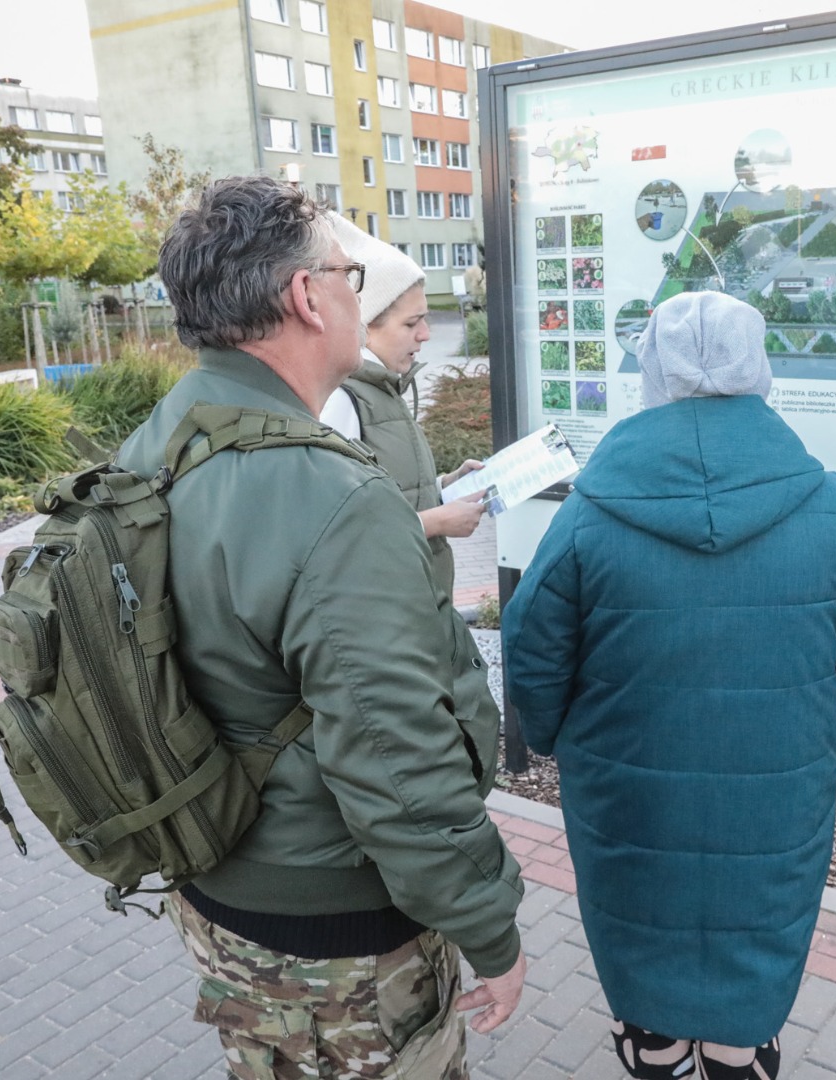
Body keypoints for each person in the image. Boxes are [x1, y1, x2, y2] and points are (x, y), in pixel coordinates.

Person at [115, 177, 525, 1080]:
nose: (353, 290)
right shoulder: (334, 499)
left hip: (216, 884)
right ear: (307, 296)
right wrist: (490, 932)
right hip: (335, 929)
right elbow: (396, 759)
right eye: (344, 272)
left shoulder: (162, 436)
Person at [502, 292, 836, 1080]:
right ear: (758, 367)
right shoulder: (827, 502)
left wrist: (563, 741)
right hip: (776, 780)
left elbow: (532, 652)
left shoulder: (591, 511)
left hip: (626, 780)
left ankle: (651, 1048)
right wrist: (824, 730)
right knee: (757, 914)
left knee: (640, 908)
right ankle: (738, 1052)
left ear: (650, 373)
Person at [318, 214, 485, 601]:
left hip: (416, 601)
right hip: (388, 606)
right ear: (366, 326)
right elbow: (338, 529)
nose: (426, 335)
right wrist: (437, 521)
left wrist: (443, 486)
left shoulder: (384, 387)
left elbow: (393, 493)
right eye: (412, 324)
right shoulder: (342, 401)